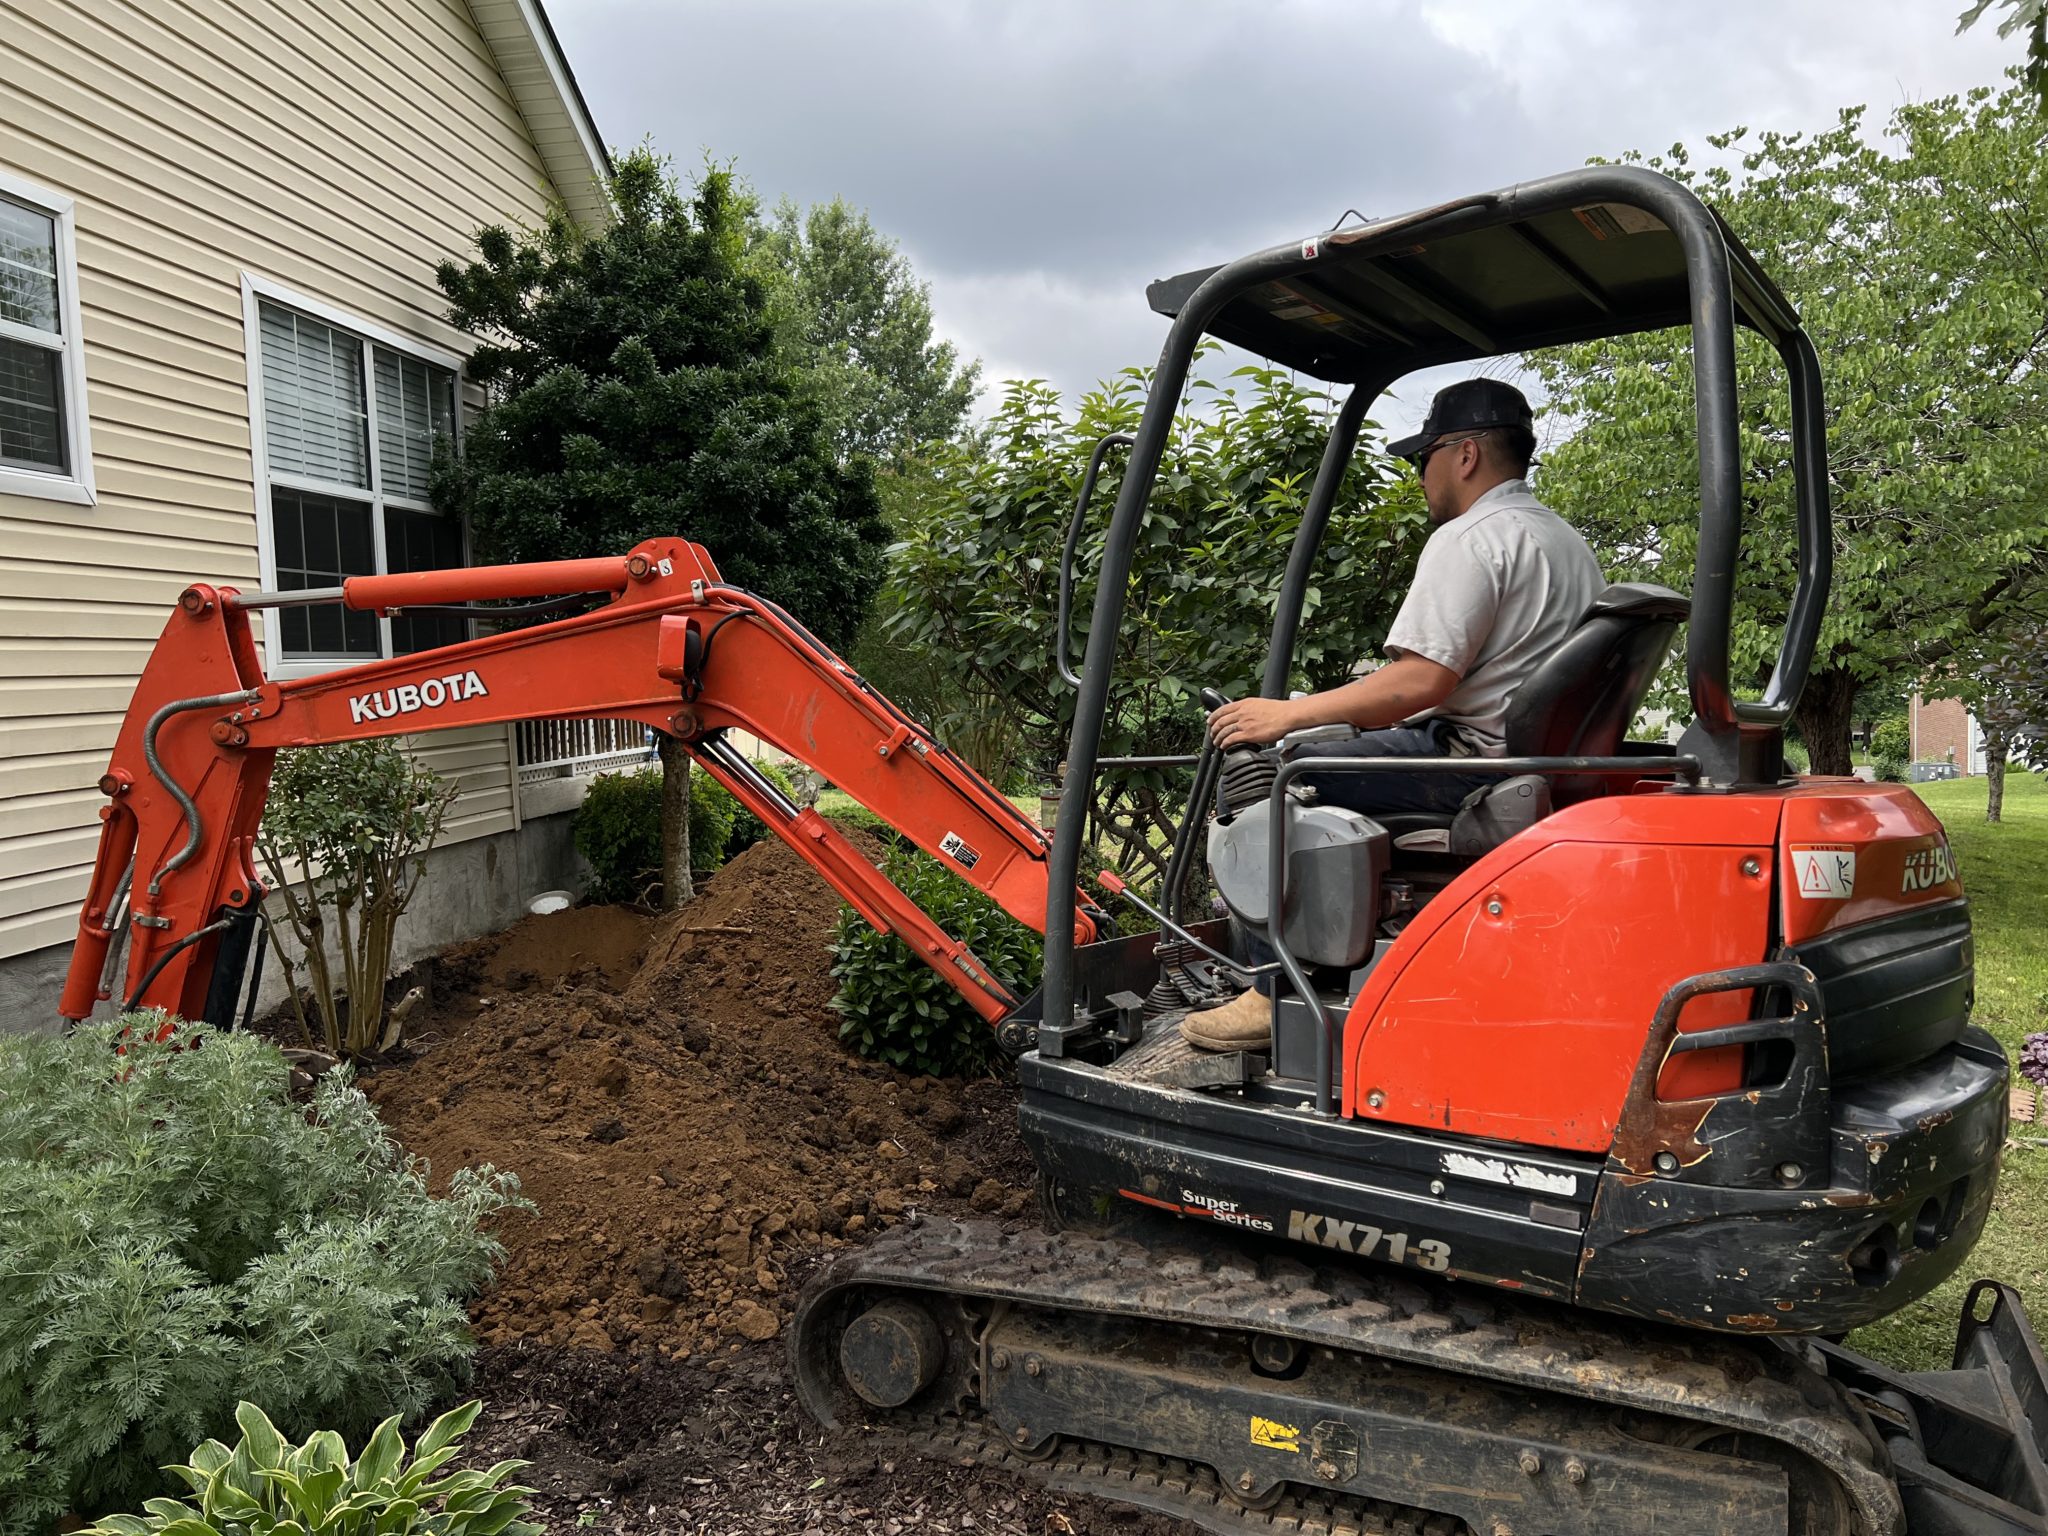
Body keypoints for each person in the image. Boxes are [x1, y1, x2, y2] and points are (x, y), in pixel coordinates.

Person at [1182, 378, 1605, 1052]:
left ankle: (1272, 992)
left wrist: (1284, 717)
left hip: (1472, 765)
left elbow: (1422, 678)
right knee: (1322, 747)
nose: (1420, 476)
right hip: (1527, 758)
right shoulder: (1564, 543)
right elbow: (1478, 677)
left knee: (1273, 771)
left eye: (1423, 457)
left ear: (1464, 455)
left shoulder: (1473, 537)